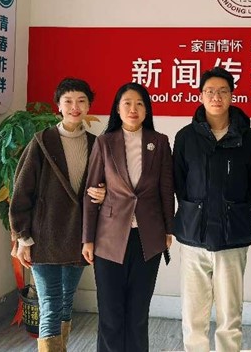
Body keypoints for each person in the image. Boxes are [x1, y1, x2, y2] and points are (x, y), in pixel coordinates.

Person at [9, 77, 105, 352]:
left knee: (65, 301)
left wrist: (104, 192)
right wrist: (23, 238)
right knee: (50, 303)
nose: (75, 107)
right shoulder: (42, 142)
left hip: (78, 237)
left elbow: (106, 185)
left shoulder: (97, 144)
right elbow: (21, 192)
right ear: (59, 106)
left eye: (81, 101)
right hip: (44, 238)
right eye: (68, 101)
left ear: (88, 106)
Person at [173, 67, 251, 352]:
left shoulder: (249, 138)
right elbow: (179, 183)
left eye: (223, 91)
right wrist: (195, 212)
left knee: (230, 315)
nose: (216, 97)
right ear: (200, 96)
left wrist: (233, 213)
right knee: (193, 315)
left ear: (232, 95)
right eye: (210, 91)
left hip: (232, 237)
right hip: (193, 236)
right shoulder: (186, 137)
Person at [82, 82, 174, 352]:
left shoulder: (159, 142)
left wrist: (169, 229)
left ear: (147, 110)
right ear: (118, 109)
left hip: (148, 237)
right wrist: (88, 238)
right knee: (110, 315)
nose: (133, 109)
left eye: (139, 104)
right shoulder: (105, 142)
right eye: (127, 104)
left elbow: (166, 188)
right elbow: (91, 191)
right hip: (109, 239)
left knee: (138, 313)